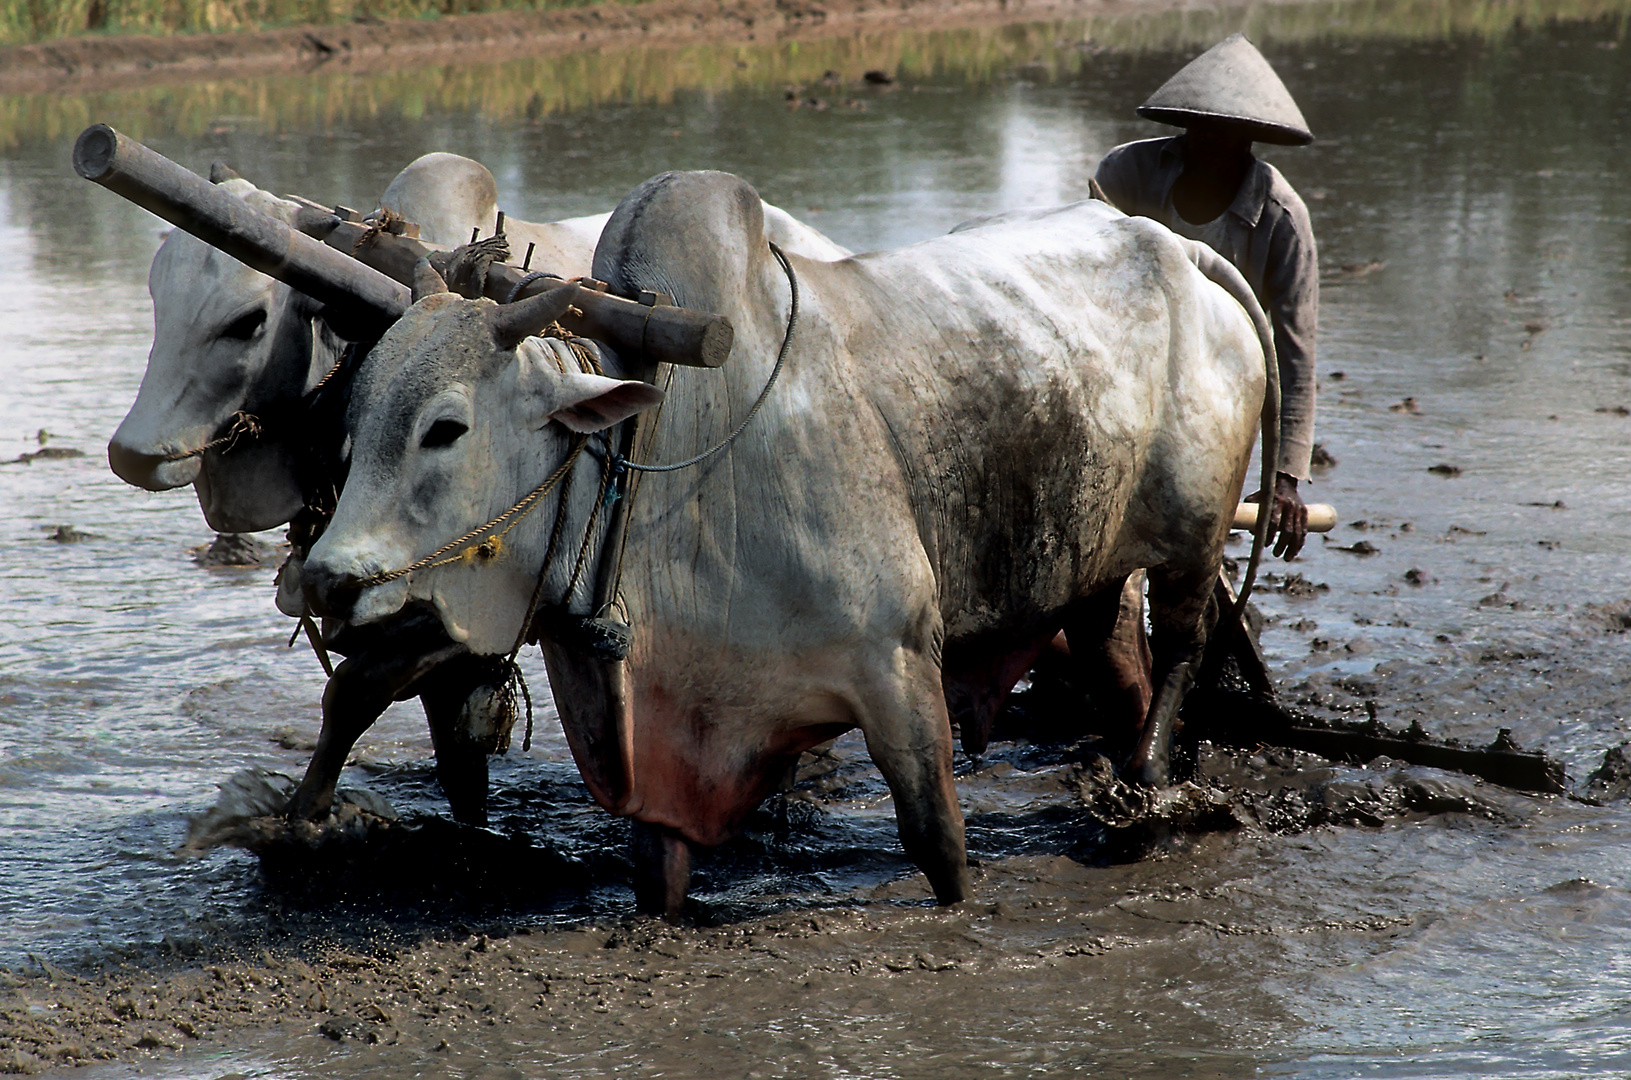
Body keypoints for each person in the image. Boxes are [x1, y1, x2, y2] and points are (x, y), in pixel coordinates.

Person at [1094, 31, 1318, 558]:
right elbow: (1087, 284)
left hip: (1217, 383)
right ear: (1185, 123)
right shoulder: (1126, 174)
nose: (1210, 141)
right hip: (1126, 369)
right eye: (1201, 126)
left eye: (1227, 132)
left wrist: (1285, 475)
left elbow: (1295, 351)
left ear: (1250, 137)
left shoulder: (1281, 218)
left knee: (1191, 548)